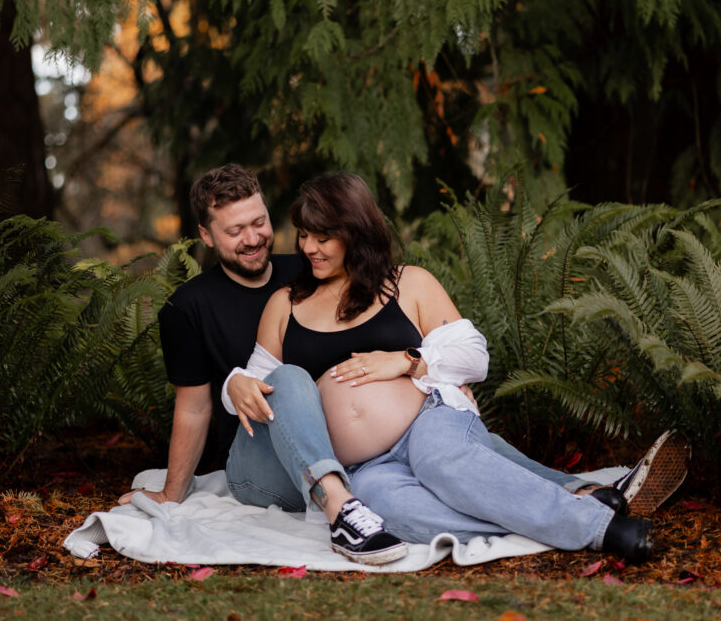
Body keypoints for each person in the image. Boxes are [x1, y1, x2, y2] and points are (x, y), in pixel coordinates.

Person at [228, 172, 667, 561]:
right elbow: (260, 387)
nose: (308, 248)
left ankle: (600, 529)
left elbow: (474, 356)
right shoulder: (285, 304)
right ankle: (552, 517)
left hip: (427, 420)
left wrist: (405, 360)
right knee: (387, 505)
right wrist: (235, 386)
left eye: (322, 237)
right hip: (359, 470)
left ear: (355, 232)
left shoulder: (407, 283)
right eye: (303, 235)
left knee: (443, 462)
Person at [118, 164, 406, 565]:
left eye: (259, 222)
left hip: (348, 440)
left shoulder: (311, 268)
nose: (252, 239)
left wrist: (421, 366)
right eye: (235, 231)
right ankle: (342, 513)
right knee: (287, 378)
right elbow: (195, 407)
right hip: (259, 458)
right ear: (205, 234)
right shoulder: (187, 307)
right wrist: (171, 492)